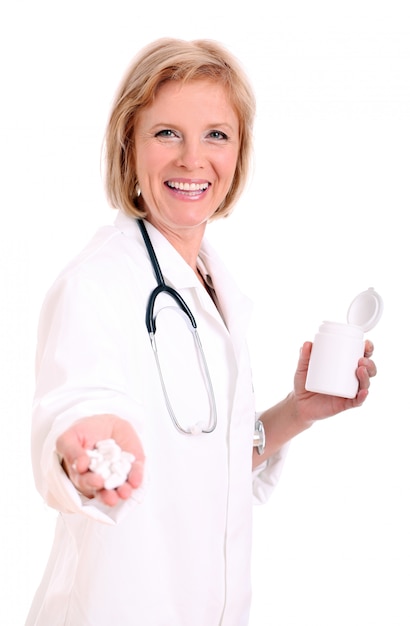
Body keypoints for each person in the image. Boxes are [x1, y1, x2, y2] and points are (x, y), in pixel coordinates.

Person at [26, 38, 377, 626]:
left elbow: (209, 458)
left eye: (217, 134)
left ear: (239, 153)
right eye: (166, 133)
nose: (193, 159)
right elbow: (72, 409)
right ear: (128, 147)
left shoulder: (213, 282)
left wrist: (298, 411)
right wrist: (81, 451)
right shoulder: (96, 284)